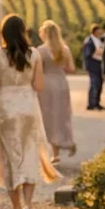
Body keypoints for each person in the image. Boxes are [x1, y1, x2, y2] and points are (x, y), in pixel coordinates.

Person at [0, 14, 59, 209]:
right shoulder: (34, 54)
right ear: (23, 32)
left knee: (9, 159)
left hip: (5, 110)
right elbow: (38, 86)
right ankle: (28, 205)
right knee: (29, 155)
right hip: (28, 107)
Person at [37, 20, 77, 161]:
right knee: (62, 114)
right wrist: (59, 67)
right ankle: (68, 141)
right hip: (61, 83)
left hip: (46, 85)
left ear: (45, 33)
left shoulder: (40, 50)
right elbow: (71, 68)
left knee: (49, 116)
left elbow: (38, 70)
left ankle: (55, 153)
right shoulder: (64, 49)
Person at [81, 24, 105, 110]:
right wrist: (98, 53)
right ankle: (91, 104)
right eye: (99, 31)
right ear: (95, 31)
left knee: (99, 84)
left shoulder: (98, 40)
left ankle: (97, 103)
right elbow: (88, 54)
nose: (101, 32)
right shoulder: (89, 41)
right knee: (94, 84)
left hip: (98, 65)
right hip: (92, 65)